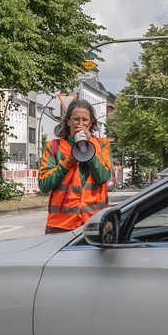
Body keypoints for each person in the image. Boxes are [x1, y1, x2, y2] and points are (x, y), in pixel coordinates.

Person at [38, 97, 113, 234]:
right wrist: (68, 161)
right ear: (67, 122)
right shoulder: (54, 147)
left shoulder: (102, 144)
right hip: (61, 224)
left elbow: (103, 177)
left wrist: (89, 148)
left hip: (94, 222)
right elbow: (44, 185)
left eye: (85, 120)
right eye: (76, 119)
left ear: (91, 123)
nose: (80, 124)